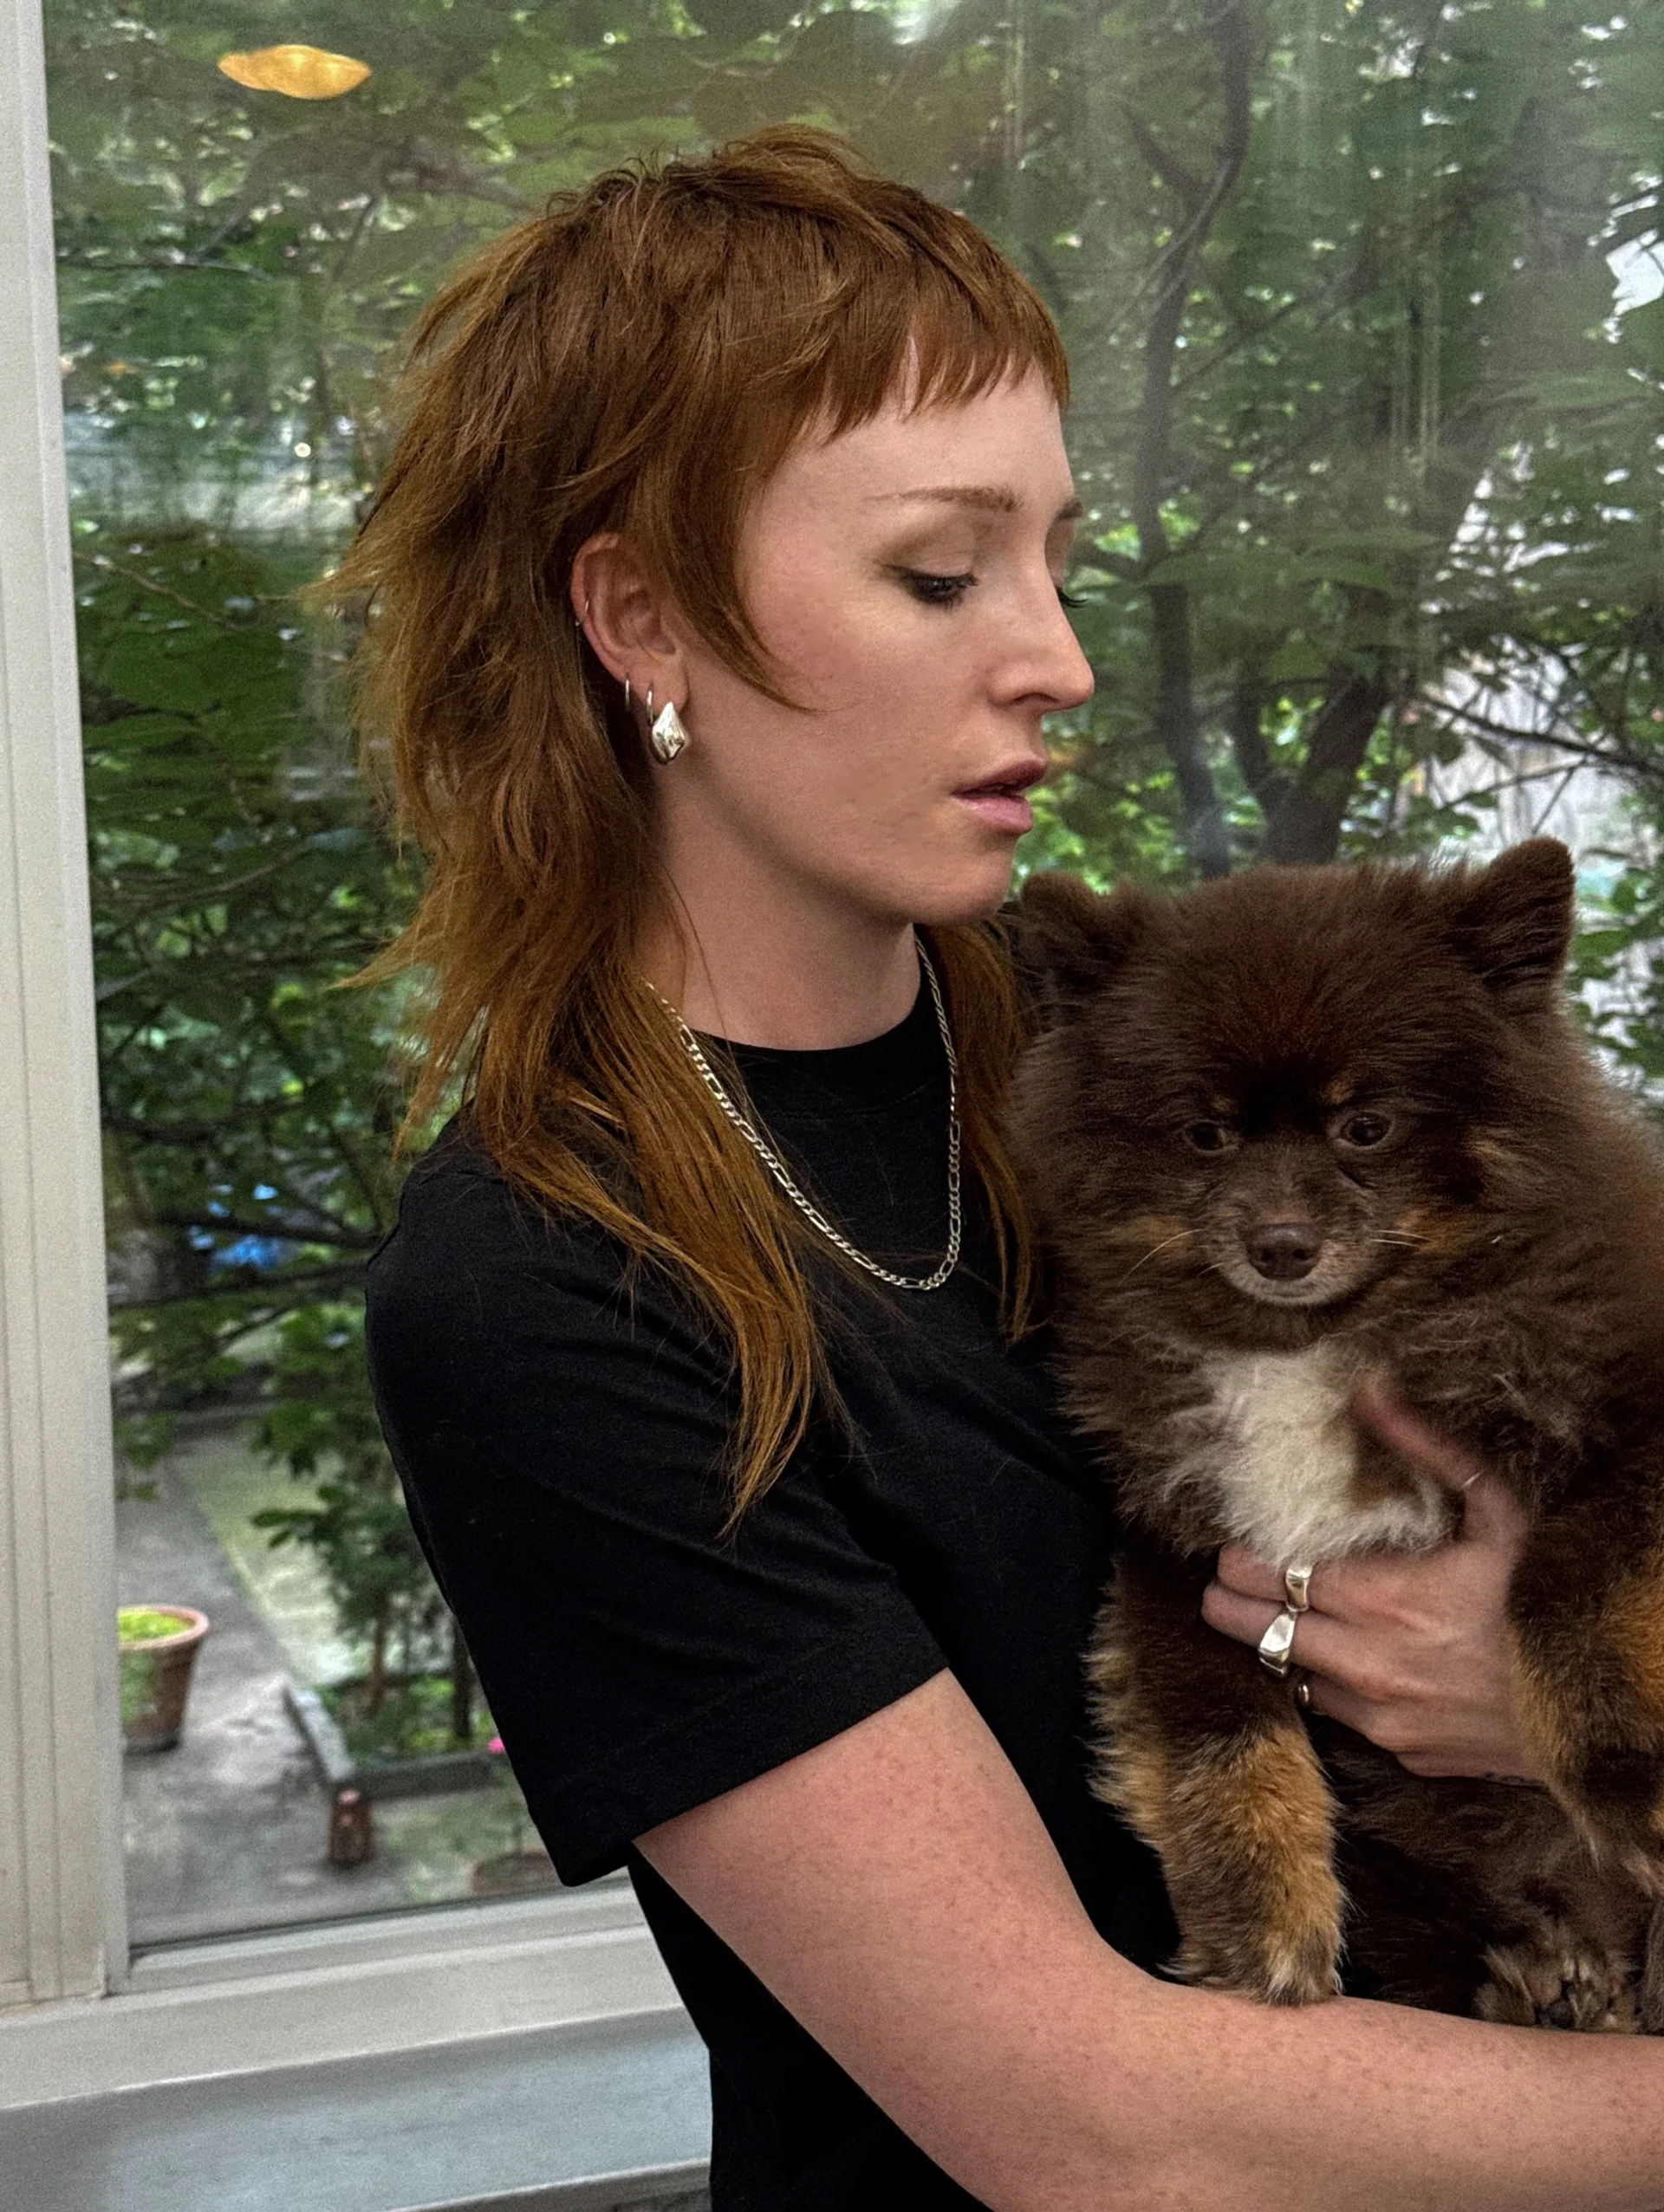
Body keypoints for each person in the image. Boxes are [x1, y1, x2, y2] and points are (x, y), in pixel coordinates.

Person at [350, 128, 1664, 2209]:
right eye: (941, 572)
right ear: (644, 617)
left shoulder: (1105, 1046)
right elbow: (1091, 2126)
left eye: (1056, 556)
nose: (1049, 653)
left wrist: (1563, 1677)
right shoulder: (547, 1288)